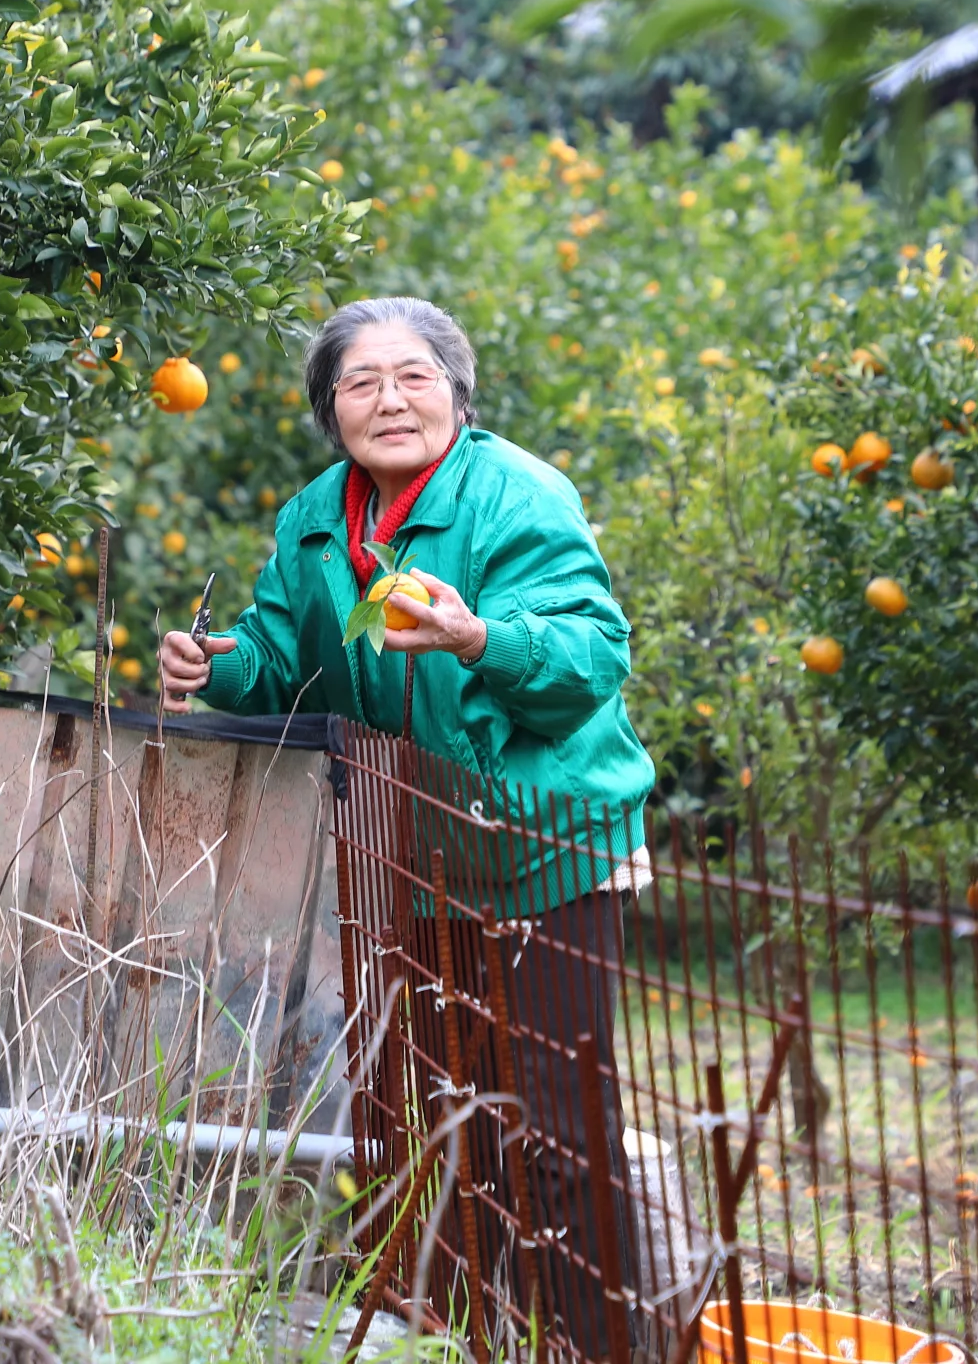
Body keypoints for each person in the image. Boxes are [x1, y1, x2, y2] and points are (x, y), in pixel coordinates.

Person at [161, 296, 652, 1358]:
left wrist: (479, 635)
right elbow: (279, 655)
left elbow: (589, 661)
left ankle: (594, 1345)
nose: (388, 399)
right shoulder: (313, 521)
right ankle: (459, 1334)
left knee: (556, 1127)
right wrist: (217, 668)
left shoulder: (517, 494)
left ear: (457, 393)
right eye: (360, 381)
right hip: (413, 855)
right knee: (426, 1117)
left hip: (546, 848)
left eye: (413, 375)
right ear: (328, 408)